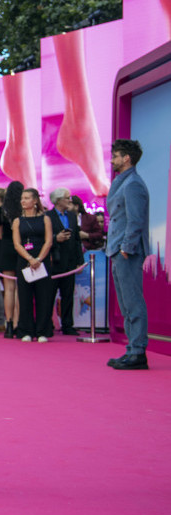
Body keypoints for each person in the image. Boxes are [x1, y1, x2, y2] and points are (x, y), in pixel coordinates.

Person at [106, 139, 150, 370]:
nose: (112, 160)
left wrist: (126, 248)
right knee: (125, 304)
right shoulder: (122, 182)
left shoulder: (133, 184)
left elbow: (136, 220)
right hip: (117, 249)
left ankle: (138, 352)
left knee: (133, 302)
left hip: (127, 251)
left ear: (127, 158)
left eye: (115, 156)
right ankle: (132, 349)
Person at [12, 188, 54, 342]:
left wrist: (39, 259)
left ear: (35, 200)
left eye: (27, 198)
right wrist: (30, 259)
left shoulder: (45, 219)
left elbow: (49, 241)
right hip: (24, 261)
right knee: (24, 297)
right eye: (22, 198)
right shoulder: (17, 221)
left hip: (42, 261)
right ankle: (25, 331)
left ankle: (43, 331)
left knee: (43, 296)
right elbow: (17, 244)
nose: (23, 201)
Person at [47, 188, 83, 335]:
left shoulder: (73, 216)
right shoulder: (47, 216)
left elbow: (77, 240)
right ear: (58, 200)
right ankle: (47, 324)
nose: (70, 200)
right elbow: (43, 238)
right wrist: (56, 238)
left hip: (70, 262)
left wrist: (79, 261)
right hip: (53, 262)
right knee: (49, 295)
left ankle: (68, 325)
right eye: (67, 198)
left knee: (68, 295)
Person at [0, 181, 24, 338]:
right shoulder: (23, 210)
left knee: (8, 289)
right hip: (21, 248)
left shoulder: (1, 211)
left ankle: (9, 323)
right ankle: (18, 323)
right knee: (19, 288)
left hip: (5, 248)